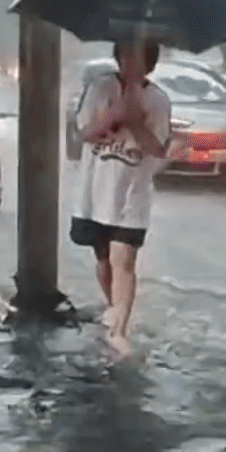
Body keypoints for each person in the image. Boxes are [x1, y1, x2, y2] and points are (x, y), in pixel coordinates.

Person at [70, 41, 171, 359]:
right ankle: (114, 308)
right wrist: (116, 113)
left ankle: (119, 330)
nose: (131, 63)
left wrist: (136, 122)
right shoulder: (99, 88)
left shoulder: (158, 99)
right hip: (96, 192)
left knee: (123, 261)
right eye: (126, 55)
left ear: (150, 63)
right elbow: (85, 133)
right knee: (103, 261)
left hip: (132, 194)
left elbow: (157, 148)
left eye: (139, 57)